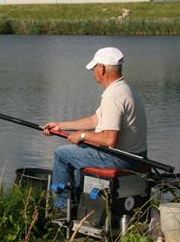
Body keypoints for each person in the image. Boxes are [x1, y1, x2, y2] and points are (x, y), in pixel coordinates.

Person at [42, 47, 148, 194]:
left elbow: (109, 139)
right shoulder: (124, 89)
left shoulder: (113, 96)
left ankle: (62, 204)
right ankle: (79, 199)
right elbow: (94, 120)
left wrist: (82, 135)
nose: (93, 72)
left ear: (102, 68)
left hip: (122, 159)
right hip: (137, 156)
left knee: (61, 154)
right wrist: (60, 125)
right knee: (80, 150)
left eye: (94, 68)